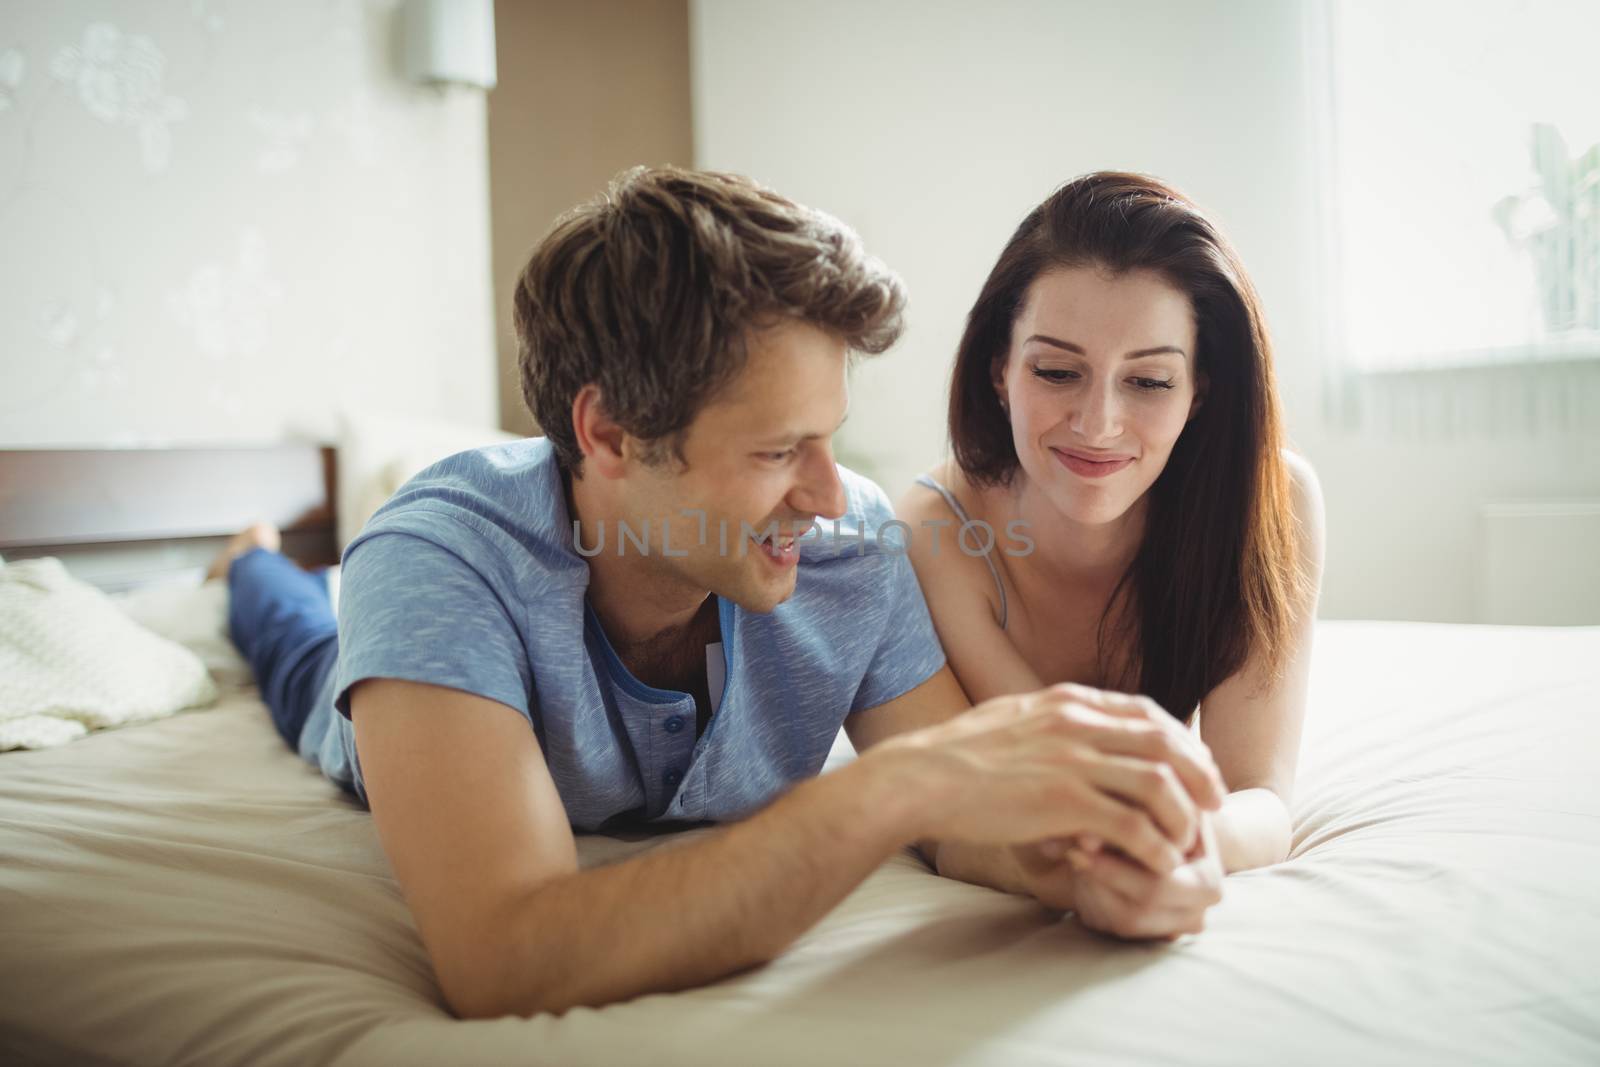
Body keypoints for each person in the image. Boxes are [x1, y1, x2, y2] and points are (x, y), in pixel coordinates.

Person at [214, 166, 1226, 1020]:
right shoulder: (439, 562)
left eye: (829, 438)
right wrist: (891, 788)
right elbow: (503, 956)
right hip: (367, 662)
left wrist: (1091, 865)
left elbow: (962, 824)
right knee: (300, 639)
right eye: (780, 449)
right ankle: (252, 562)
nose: (830, 494)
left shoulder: (851, 541)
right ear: (608, 434)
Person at [897, 171, 1327, 942]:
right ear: (1000, 369)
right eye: (1057, 371)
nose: (1098, 423)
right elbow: (970, 811)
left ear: (1200, 391)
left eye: (1150, 380)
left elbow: (1259, 795)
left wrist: (1188, 850)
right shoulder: (933, 531)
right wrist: (1092, 863)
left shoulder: (1274, 502)